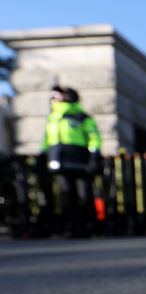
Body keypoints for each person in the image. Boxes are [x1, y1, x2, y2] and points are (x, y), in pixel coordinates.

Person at [41, 86, 102, 237]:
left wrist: (94, 155)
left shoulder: (82, 117)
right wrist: (42, 156)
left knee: (85, 194)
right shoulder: (53, 118)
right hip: (60, 162)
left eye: (63, 94)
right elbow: (47, 140)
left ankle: (91, 226)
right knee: (68, 196)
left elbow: (93, 137)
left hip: (80, 161)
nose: (59, 97)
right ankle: (76, 227)